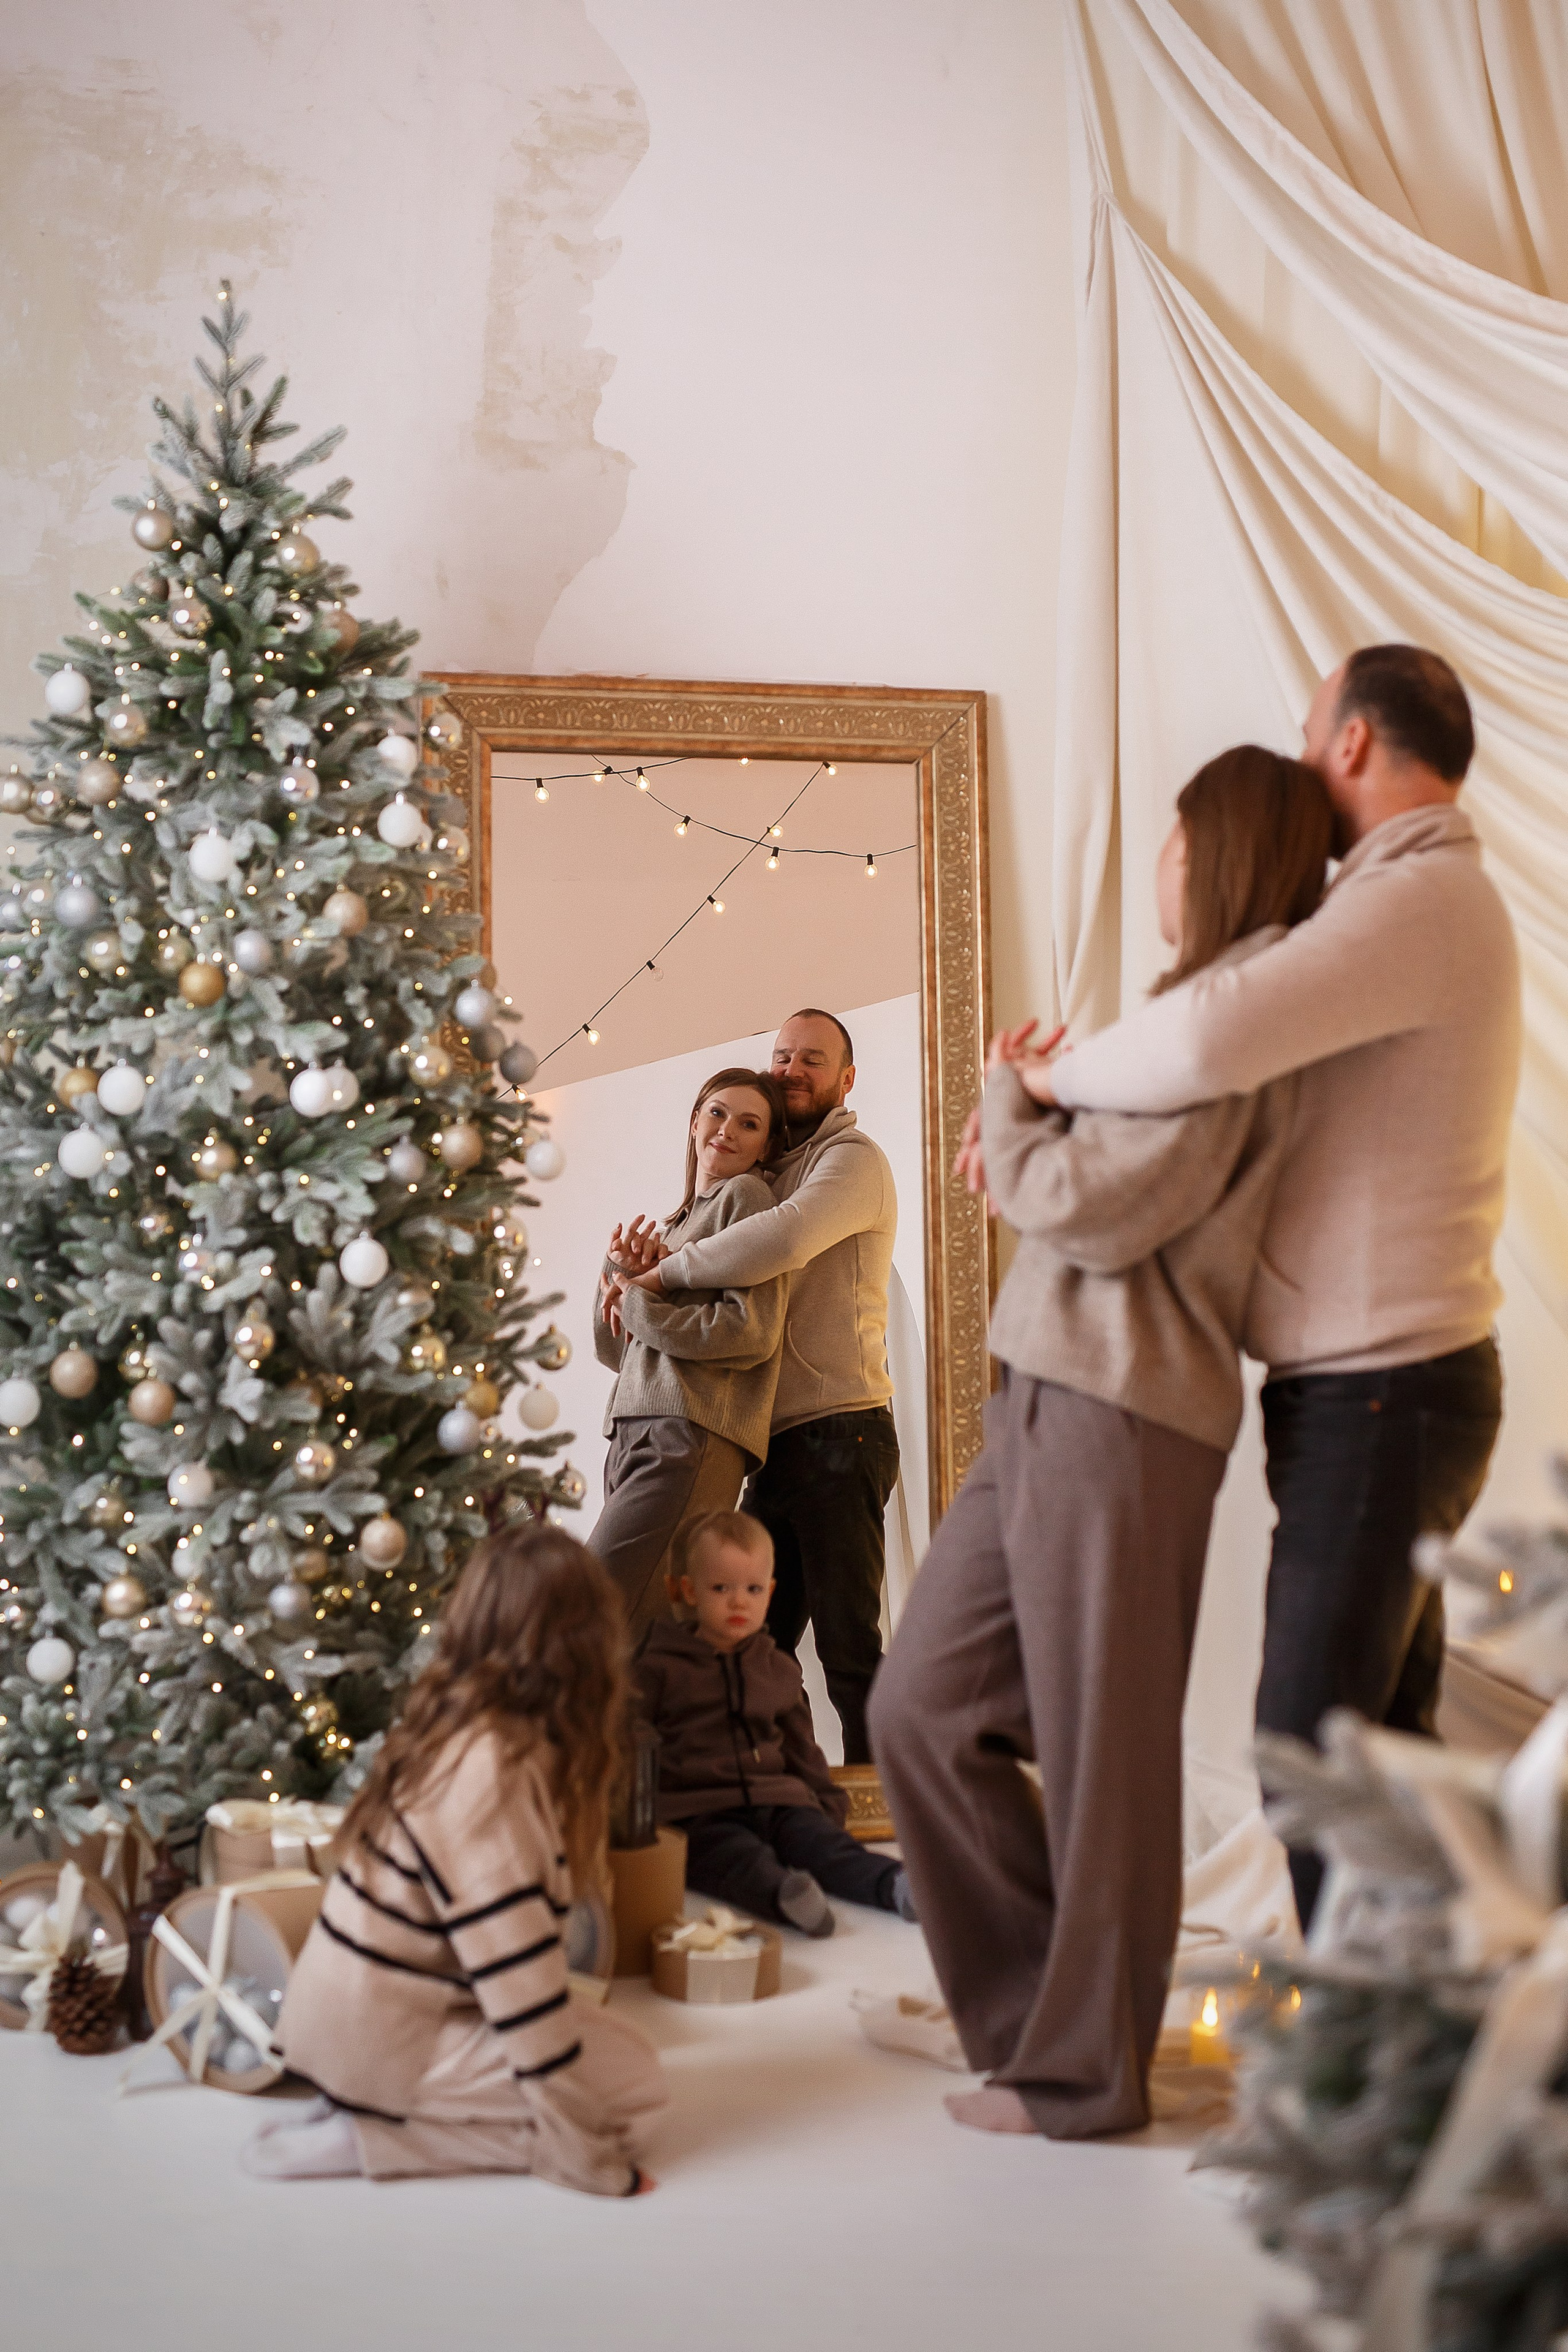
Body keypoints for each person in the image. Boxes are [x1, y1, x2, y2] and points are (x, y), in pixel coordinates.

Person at [1003, 646, 1521, 1931]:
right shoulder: (1388, 906)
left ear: (1350, 743)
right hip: (1379, 1391)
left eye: (1306, 738)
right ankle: (1412, 2070)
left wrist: (1036, 1085)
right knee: (1379, 1750)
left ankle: (1364, 2087)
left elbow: (1207, 1037)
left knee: (1308, 1748)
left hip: (1386, 1394)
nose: (1296, 767)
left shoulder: (1413, 902)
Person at [872, 745, 1335, 2141]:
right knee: (915, 1708)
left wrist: (1014, 1106)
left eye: (1175, 838)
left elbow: (1093, 1211)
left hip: (1130, 1409)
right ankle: (1032, 2032)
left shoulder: (1235, 1029)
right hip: (1039, 1387)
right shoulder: (1166, 1023)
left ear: (1221, 854)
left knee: (1100, 1751)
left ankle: (1081, 2075)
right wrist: (1036, 1102)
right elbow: (1058, 1172)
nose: (1158, 861)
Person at [246, 1525, 666, 2193]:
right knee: (637, 2089)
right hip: (384, 2029)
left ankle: (373, 2108)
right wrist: (588, 2156)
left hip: (372, 2012)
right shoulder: (493, 1770)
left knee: (620, 2052)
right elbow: (517, 1979)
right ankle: (365, 2135)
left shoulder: (474, 1728)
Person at [620, 1010, 897, 1765]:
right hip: (767, 1442)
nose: (789, 1070)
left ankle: (892, 1816)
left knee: (848, 1646)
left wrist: (660, 1276)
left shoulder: (852, 1162)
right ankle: (797, 1788)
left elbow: (784, 1239)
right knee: (756, 1650)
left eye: (812, 1059)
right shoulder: (759, 1176)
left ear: (844, 1080)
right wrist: (629, 1274)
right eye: (780, 1055)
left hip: (843, 1429)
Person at [635, 1509, 916, 1936]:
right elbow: (629, 1745)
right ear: (690, 1592)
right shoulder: (659, 1668)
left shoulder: (777, 1669)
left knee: (826, 1847)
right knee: (730, 1859)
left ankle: (894, 1886)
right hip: (702, 1810)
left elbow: (801, 1748)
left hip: (779, 1800)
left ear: (770, 1593)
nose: (738, 1601)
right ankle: (785, 1896)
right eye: (721, 1588)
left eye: (752, 1589)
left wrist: (826, 1807)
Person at [588, 1067, 790, 1634]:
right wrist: (619, 1273)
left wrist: (636, 1301)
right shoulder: (675, 1226)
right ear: (695, 1120)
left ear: (765, 1146)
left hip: (691, 1435)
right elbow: (616, 1353)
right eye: (718, 1113)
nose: (727, 1130)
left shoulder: (748, 1199)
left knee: (596, 1611)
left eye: (749, 1124)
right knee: (644, 1629)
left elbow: (750, 1332)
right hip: (632, 1431)